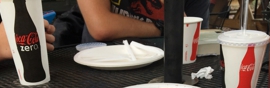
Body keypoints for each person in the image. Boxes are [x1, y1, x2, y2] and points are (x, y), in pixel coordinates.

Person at [77, 0, 210, 43]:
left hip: (165, 67)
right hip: (102, 66)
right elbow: (101, 27)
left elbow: (190, 35)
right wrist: (163, 28)